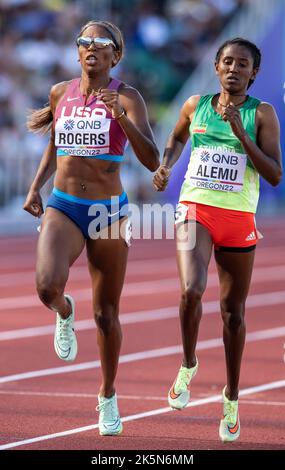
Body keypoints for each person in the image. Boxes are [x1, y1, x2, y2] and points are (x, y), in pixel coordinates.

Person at [24, 20, 159, 436]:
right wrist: (35, 186)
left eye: (102, 43)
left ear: (115, 55)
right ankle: (65, 312)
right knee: (47, 286)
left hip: (108, 212)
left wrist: (122, 117)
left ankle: (107, 396)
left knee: (106, 315)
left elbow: (153, 160)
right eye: (85, 41)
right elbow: (54, 144)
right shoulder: (60, 93)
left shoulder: (128, 97)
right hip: (64, 204)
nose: (92, 47)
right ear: (77, 51)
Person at [153, 38, 282, 442]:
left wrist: (242, 135)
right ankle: (189, 363)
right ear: (216, 66)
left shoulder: (263, 113)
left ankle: (231, 396)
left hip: (239, 217)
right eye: (227, 62)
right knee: (192, 289)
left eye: (242, 64)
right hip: (196, 209)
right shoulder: (195, 105)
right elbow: (175, 139)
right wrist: (166, 166)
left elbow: (275, 174)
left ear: (253, 73)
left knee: (233, 313)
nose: (234, 69)